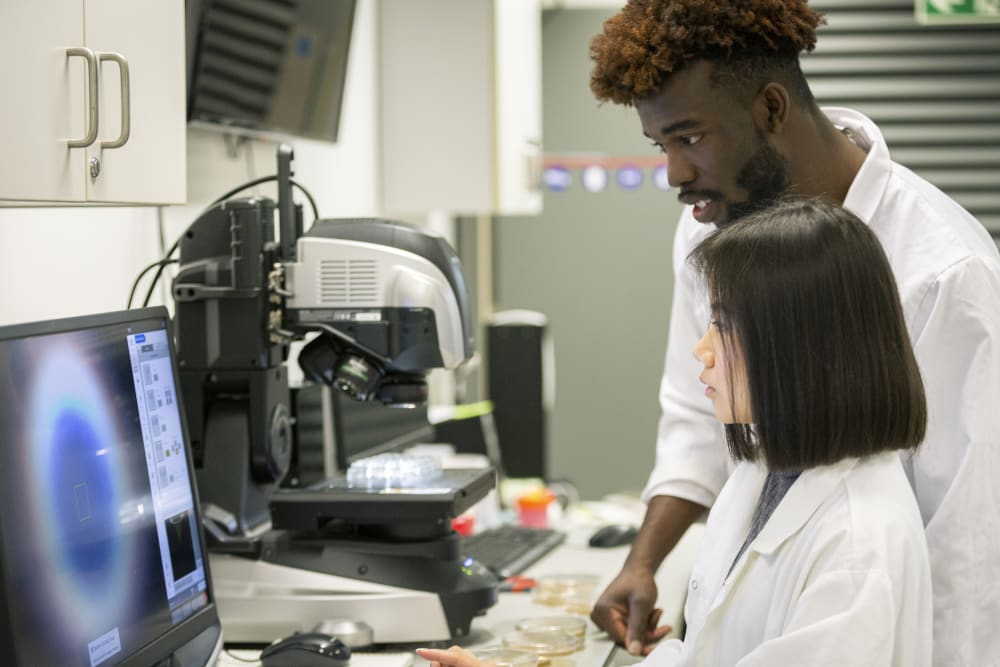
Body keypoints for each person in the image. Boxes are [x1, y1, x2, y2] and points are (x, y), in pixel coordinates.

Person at [587, 2, 1000, 665]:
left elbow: (966, 549)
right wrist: (644, 562)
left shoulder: (944, 270)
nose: (674, 173)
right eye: (661, 144)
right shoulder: (712, 225)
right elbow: (698, 413)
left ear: (771, 109)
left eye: (690, 137)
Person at [416, 198, 934, 666]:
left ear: (799, 347)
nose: (701, 350)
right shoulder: (768, 473)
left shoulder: (855, 551)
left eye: (725, 325)